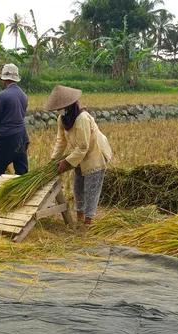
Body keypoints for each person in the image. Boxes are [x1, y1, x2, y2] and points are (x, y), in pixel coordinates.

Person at [44, 85, 112, 232]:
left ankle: (88, 222)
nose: (58, 110)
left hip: (95, 154)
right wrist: (53, 160)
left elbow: (83, 147)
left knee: (91, 189)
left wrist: (66, 162)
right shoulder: (62, 119)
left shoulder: (81, 118)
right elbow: (60, 141)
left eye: (60, 107)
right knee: (78, 188)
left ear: (68, 106)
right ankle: (79, 218)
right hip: (79, 157)